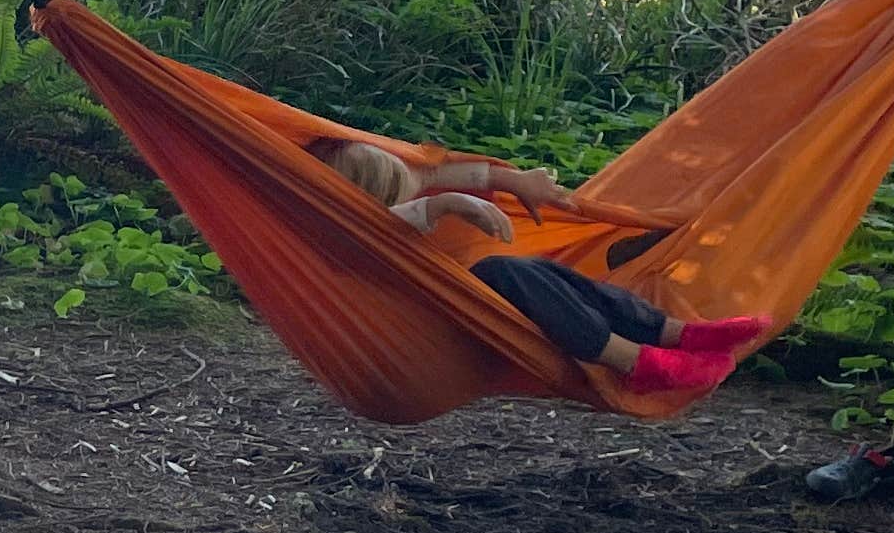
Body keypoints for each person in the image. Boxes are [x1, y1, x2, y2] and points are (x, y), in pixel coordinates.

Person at [318, 138, 769, 394]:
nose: (409, 194)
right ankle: (631, 361)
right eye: (393, 194)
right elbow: (382, 229)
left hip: (459, 308)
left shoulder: (385, 190)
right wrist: (441, 206)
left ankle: (674, 332)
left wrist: (515, 181)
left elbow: (435, 175)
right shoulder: (342, 233)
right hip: (424, 340)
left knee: (545, 273)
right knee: (502, 272)